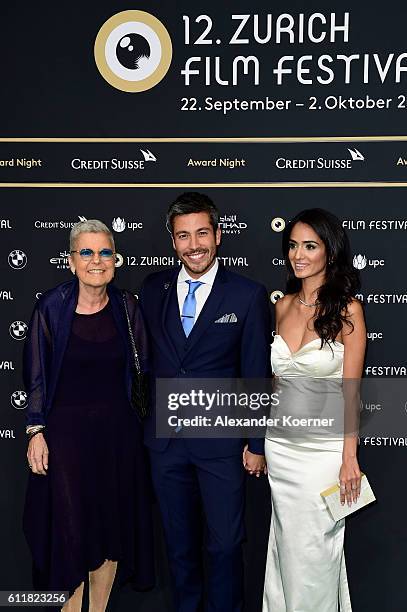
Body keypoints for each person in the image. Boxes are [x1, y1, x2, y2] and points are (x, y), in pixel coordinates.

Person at [139, 192, 271, 612]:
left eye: (201, 233)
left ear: (218, 235)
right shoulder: (152, 289)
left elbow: (254, 373)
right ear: (173, 241)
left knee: (226, 545)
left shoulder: (247, 294)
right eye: (183, 236)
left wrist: (257, 442)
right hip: (166, 444)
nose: (194, 244)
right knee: (178, 549)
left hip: (222, 446)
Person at [23, 220, 154, 612]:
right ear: (71, 261)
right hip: (66, 440)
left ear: (115, 260)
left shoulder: (128, 307)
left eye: (104, 253)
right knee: (71, 532)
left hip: (118, 437)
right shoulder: (51, 306)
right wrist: (36, 430)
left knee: (111, 530)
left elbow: (143, 371)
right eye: (87, 252)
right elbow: (36, 374)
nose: (96, 261)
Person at [263, 208, 366, 612]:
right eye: (293, 245)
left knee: (317, 553)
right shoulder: (282, 306)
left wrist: (349, 459)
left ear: (329, 251)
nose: (298, 254)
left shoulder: (348, 311)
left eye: (310, 245)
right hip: (281, 448)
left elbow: (350, 392)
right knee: (285, 548)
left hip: (323, 454)